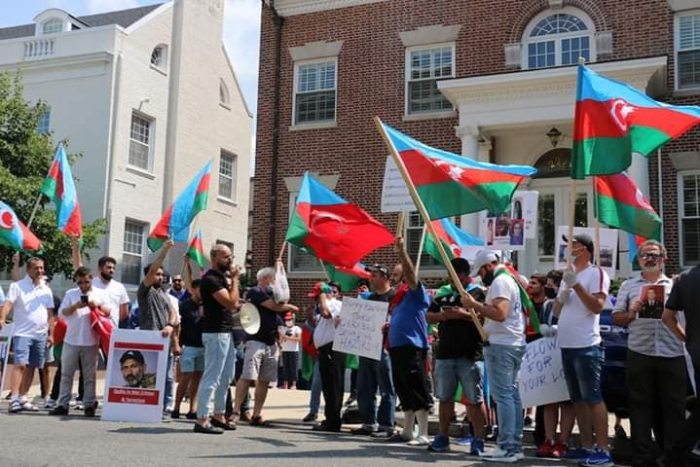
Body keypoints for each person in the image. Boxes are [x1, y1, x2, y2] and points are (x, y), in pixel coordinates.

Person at [611, 240, 683, 467]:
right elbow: (617, 318)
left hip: (672, 352)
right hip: (640, 352)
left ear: (664, 258)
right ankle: (642, 456)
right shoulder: (628, 286)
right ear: (639, 259)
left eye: (654, 255)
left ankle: (672, 456)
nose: (649, 259)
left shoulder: (676, 285)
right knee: (640, 406)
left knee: (674, 407)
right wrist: (632, 312)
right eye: (645, 255)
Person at [461, 250, 527, 462]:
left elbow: (500, 313)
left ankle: (507, 446)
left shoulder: (500, 282)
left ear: (489, 266)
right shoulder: (509, 281)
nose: (480, 277)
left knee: (504, 396)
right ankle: (514, 444)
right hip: (512, 343)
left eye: (481, 272)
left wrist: (475, 305)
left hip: (503, 345)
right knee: (512, 396)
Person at [554, 234, 612, 467]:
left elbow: (597, 307)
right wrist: (562, 296)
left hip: (586, 345)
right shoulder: (568, 275)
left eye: (574, 245)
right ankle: (586, 445)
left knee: (593, 398)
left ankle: (604, 449)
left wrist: (576, 286)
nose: (570, 249)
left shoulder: (596, 273)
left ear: (585, 249)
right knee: (577, 399)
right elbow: (557, 312)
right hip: (567, 344)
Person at [426, 258, 487, 455]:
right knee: (444, 398)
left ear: (463, 274)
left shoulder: (478, 293)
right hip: (445, 354)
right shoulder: (444, 294)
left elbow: (484, 317)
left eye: (454, 275)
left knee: (474, 400)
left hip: (469, 355)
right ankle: (442, 437)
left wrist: (464, 314)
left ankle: (478, 440)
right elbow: (428, 315)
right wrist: (444, 316)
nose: (450, 279)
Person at [232, 267, 299, 427]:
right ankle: (236, 411)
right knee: (247, 376)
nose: (275, 283)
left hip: (271, 342)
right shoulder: (255, 292)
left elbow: (280, 303)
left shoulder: (274, 295)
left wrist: (281, 271)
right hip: (256, 340)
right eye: (273, 280)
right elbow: (274, 307)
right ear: (264, 279)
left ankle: (257, 414)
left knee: (264, 380)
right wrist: (290, 307)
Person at [386, 238, 432, 445]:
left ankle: (423, 432)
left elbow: (412, 275)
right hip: (397, 347)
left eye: (396, 275)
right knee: (403, 387)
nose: (392, 278)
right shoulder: (398, 298)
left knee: (415, 387)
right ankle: (407, 430)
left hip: (412, 347)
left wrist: (402, 252)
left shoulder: (415, 292)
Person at [49, 267, 111, 417]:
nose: (83, 286)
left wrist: (95, 305)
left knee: (89, 375)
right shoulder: (71, 294)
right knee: (66, 373)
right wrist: (76, 305)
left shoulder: (100, 293)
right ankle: (63, 404)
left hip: (91, 341)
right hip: (71, 339)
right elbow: (62, 313)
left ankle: (89, 404)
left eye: (86, 282)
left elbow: (108, 312)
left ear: (92, 279)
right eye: (80, 283)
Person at [194, 244, 241, 434]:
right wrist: (236, 279)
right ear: (214, 258)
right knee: (212, 376)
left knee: (226, 376)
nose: (230, 260)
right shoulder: (211, 279)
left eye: (231, 256)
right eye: (226, 257)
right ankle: (202, 419)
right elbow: (231, 303)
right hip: (215, 333)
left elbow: (232, 303)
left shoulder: (222, 278)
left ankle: (219, 414)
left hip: (225, 332)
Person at [0, 257, 55, 413]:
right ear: (28, 270)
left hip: (41, 334)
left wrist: (51, 334)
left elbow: (50, 313)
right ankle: (14, 398)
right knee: (20, 364)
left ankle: (23, 397)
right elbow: (8, 304)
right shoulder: (17, 286)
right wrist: (2, 318)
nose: (40, 271)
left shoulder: (46, 289)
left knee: (32, 365)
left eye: (41, 268)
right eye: (36, 268)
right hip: (22, 333)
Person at [659, 260, 700, 466]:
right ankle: (673, 457)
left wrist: (686, 338)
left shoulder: (686, 278)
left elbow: (667, 317)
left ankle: (672, 457)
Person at [352, 264, 396, 438]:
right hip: (367, 347)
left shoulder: (393, 296)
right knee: (365, 387)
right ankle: (369, 423)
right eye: (371, 275)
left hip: (385, 348)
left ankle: (386, 425)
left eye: (375, 275)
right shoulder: (368, 298)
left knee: (386, 388)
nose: (371, 278)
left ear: (385, 277)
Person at [535, 270, 575, 459]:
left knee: (567, 402)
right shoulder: (548, 305)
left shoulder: (572, 302)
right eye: (548, 284)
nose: (550, 288)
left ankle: (563, 441)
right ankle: (548, 439)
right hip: (550, 357)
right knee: (549, 400)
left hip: (569, 354)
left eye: (553, 284)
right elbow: (543, 325)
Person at [137, 239, 179, 415]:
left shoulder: (164, 294)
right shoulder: (145, 291)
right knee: (150, 374)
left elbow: (173, 314)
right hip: (150, 339)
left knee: (168, 376)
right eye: (157, 274)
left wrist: (170, 326)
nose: (160, 277)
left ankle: (165, 406)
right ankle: (148, 406)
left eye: (162, 275)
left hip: (166, 341)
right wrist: (165, 250)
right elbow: (153, 269)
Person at [310, 281, 345, 432]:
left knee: (333, 386)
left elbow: (326, 314)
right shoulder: (325, 303)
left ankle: (333, 421)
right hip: (325, 350)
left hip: (333, 349)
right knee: (327, 386)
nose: (316, 300)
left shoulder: (335, 303)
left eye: (317, 296)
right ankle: (330, 418)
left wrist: (324, 296)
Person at [173, 277, 204, 419]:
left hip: (203, 346)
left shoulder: (206, 306)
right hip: (188, 346)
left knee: (197, 378)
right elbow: (177, 326)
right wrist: (177, 344)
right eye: (200, 290)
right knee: (186, 377)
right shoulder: (184, 305)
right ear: (192, 290)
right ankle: (176, 407)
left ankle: (193, 408)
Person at [279, 312, 301, 389]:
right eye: (286, 320)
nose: (288, 321)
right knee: (285, 367)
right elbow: (280, 340)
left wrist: (287, 338)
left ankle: (294, 384)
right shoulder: (283, 329)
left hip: (293, 350)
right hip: (285, 349)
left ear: (293, 320)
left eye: (289, 319)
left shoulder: (297, 329)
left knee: (293, 367)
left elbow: (298, 339)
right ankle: (285, 384)